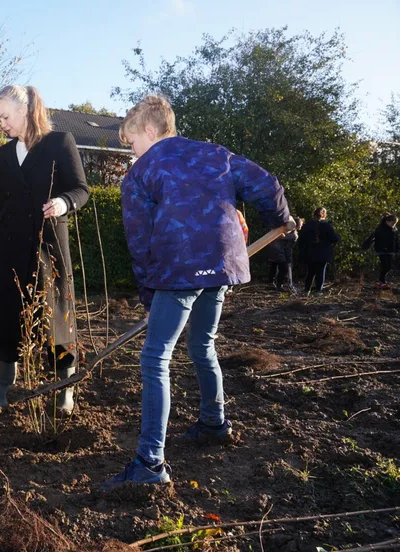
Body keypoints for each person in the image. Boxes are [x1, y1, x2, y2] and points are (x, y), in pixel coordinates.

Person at [101, 95, 291, 490]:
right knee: (202, 344)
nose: (131, 151)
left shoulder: (141, 172)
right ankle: (214, 422)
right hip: (221, 265)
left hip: (178, 269)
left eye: (131, 142)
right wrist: (282, 219)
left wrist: (149, 295)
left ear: (150, 131)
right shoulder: (215, 153)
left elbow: (139, 241)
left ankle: (150, 464)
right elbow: (266, 185)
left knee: (155, 358)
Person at [0, 85, 89, 415]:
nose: (1, 124)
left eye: (5, 116)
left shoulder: (59, 143)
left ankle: (64, 391)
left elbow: (82, 190)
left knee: (58, 316)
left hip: (49, 247)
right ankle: (4, 386)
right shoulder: (5, 154)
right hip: (11, 246)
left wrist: (63, 202)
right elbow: (4, 207)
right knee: (6, 312)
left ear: (26, 111)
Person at [298, 207, 341, 294]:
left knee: (310, 272)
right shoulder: (327, 225)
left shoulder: (308, 225)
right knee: (320, 272)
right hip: (323, 253)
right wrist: (338, 236)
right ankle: (318, 290)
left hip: (310, 252)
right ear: (324, 215)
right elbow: (334, 238)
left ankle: (306, 289)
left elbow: (301, 239)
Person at [361, 212, 400, 289]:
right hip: (381, 250)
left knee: (388, 266)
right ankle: (381, 281)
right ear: (387, 221)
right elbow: (372, 238)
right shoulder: (380, 229)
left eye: (394, 223)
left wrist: (397, 249)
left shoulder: (393, 230)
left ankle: (381, 281)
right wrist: (366, 245)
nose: (393, 225)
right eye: (392, 223)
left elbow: (396, 241)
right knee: (385, 265)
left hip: (390, 251)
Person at [267, 216, 302, 293]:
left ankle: (271, 283)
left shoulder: (281, 229)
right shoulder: (293, 235)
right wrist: (289, 260)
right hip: (279, 252)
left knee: (273, 266)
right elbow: (288, 249)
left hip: (272, 249)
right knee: (283, 269)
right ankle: (279, 285)